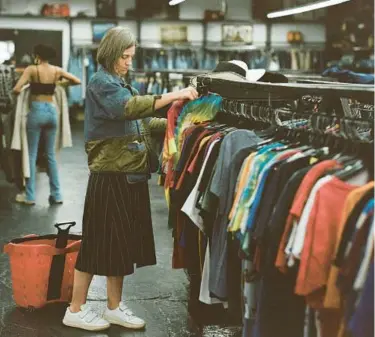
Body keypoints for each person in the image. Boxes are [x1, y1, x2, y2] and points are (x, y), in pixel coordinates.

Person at [62, 26, 198, 332]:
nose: (128, 62)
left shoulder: (119, 82)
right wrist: (174, 95)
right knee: (97, 243)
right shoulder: (101, 82)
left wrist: (180, 124)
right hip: (110, 175)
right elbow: (127, 109)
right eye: (124, 56)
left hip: (128, 173)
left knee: (118, 245)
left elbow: (139, 121)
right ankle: (75, 308)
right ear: (111, 53)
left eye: (131, 57)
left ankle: (113, 307)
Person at [13, 44, 81, 205]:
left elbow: (17, 89)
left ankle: (29, 196)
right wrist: (58, 85)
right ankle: (57, 195)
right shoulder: (56, 70)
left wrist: (31, 87)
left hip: (36, 111)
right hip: (52, 112)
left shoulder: (31, 69)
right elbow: (76, 80)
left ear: (37, 55)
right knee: (50, 155)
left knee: (31, 154)